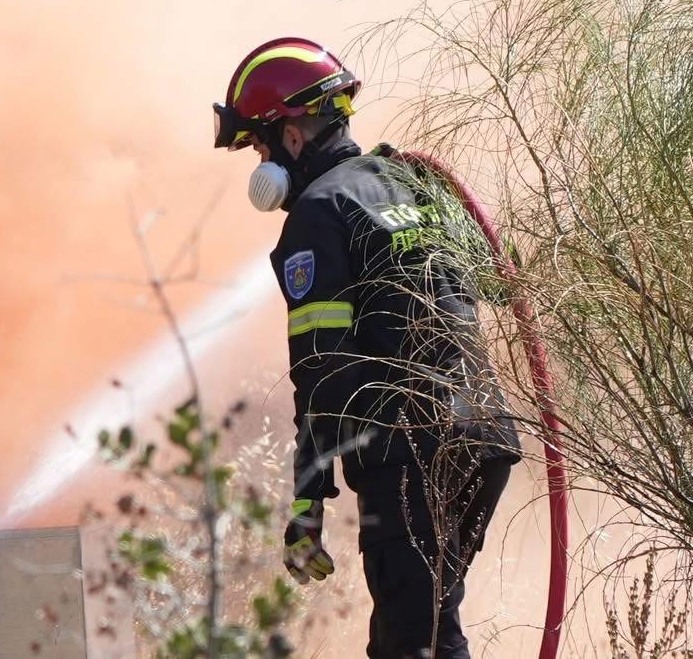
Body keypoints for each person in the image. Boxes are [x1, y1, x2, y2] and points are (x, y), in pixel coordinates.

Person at [213, 37, 519, 659]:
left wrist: (306, 502)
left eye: (260, 145)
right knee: (425, 626)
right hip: (483, 437)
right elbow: (490, 284)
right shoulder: (413, 185)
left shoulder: (318, 213)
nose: (262, 162)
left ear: (292, 137)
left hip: (412, 453)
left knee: (415, 640)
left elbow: (323, 371)